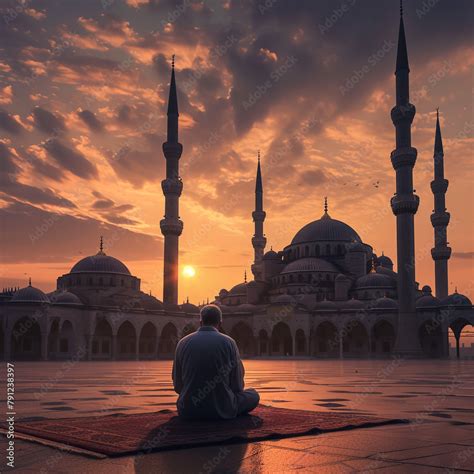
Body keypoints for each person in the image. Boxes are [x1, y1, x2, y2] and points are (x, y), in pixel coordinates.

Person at [172, 304, 260, 420]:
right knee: (253, 395)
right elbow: (237, 386)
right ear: (220, 323)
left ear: (200, 322)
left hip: (187, 411)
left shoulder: (182, 343)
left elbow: (178, 386)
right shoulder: (229, 342)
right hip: (223, 410)